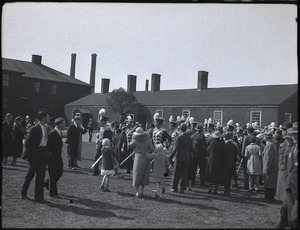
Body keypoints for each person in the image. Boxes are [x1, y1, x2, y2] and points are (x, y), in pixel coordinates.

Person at [21, 111, 50, 202]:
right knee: (30, 174)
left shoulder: (46, 127)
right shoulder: (34, 128)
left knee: (41, 175)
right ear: (43, 117)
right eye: (48, 116)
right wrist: (35, 152)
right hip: (35, 154)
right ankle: (23, 192)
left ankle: (39, 197)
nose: (49, 118)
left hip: (43, 153)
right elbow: (27, 142)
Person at [276, 122, 298, 229]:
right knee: (285, 211)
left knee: (294, 218)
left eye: (296, 134)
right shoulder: (293, 149)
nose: (293, 137)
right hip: (290, 186)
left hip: (296, 189)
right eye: (293, 134)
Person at [128, 127, 153, 198]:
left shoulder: (135, 140)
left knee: (137, 174)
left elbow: (129, 146)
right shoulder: (147, 139)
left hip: (138, 158)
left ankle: (137, 191)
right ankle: (142, 191)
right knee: (144, 175)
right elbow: (151, 149)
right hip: (146, 158)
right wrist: (147, 151)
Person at [169, 124, 193, 194]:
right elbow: (191, 149)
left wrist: (170, 157)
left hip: (179, 157)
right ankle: (182, 188)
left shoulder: (178, 137)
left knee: (176, 173)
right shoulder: (189, 138)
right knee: (184, 174)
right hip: (186, 157)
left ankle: (174, 187)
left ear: (180, 129)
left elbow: (175, 149)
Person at [44, 118, 65, 197]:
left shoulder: (59, 132)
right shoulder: (52, 133)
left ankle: (47, 184)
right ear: (59, 124)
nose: (64, 125)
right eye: (63, 123)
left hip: (58, 156)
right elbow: (47, 145)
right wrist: (49, 155)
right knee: (53, 174)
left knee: (60, 172)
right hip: (52, 156)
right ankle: (53, 192)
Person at [276, 123, 293, 201]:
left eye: (283, 130)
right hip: (282, 168)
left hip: (286, 170)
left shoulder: (290, 143)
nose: (282, 132)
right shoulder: (285, 142)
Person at [262, 131, 279, 201]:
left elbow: (269, 158)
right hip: (272, 167)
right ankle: (270, 196)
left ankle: (268, 197)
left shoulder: (269, 146)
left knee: (269, 182)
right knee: (270, 182)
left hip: (270, 167)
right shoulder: (272, 144)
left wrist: (267, 168)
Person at [93, 109, 109, 176]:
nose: (100, 122)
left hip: (104, 145)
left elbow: (108, 138)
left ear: (105, 122)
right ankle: (96, 171)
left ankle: (109, 171)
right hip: (100, 144)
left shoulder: (107, 129)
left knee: (107, 159)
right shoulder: (101, 128)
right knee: (97, 157)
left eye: (101, 121)